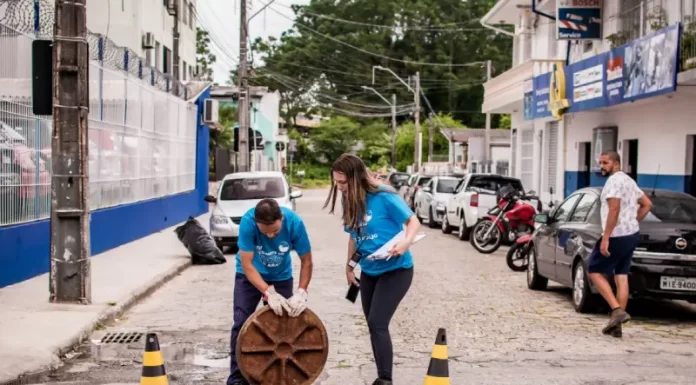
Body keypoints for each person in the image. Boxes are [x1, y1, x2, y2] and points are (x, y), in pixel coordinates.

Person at [324, 154, 420, 385]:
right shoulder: (350, 200)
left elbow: (413, 222)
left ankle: (385, 379)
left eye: (343, 182)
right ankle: (382, 374)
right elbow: (354, 238)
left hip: (397, 270)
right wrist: (349, 267)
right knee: (372, 325)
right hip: (369, 271)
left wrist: (406, 242)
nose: (340, 187)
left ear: (356, 178)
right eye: (337, 182)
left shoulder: (385, 197)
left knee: (378, 322)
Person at [227, 199, 314, 385]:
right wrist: (268, 293)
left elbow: (306, 261)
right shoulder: (248, 223)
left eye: (275, 231)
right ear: (257, 224)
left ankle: (280, 376)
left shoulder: (294, 223)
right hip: (249, 275)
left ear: (281, 218)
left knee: (284, 326)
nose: (271, 236)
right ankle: (237, 377)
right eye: (265, 233)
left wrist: (301, 292)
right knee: (241, 322)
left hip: (281, 275)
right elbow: (247, 264)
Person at [588, 150, 652, 338]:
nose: (601, 166)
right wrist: (633, 221)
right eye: (600, 163)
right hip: (631, 234)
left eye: (605, 163)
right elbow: (647, 204)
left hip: (616, 234)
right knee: (621, 275)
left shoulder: (614, 182)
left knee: (593, 269)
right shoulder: (629, 181)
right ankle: (616, 325)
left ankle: (616, 310)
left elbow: (613, 209)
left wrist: (606, 236)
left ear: (616, 163)